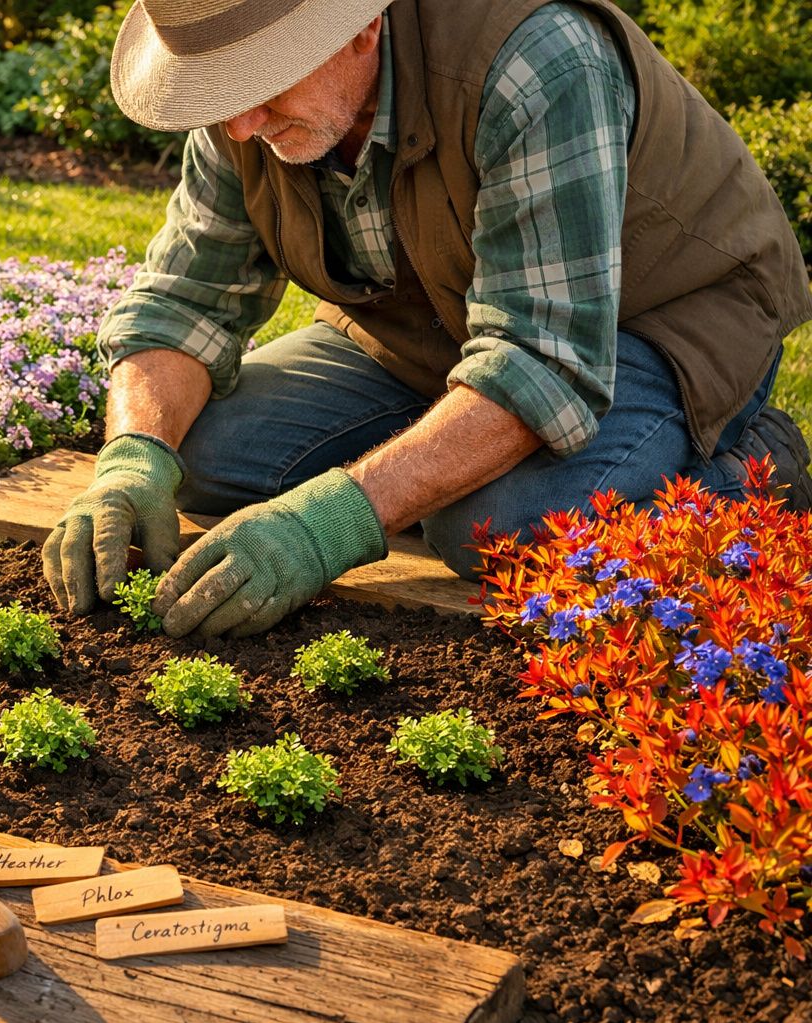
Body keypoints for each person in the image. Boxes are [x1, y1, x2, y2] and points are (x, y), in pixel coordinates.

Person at [41, 0, 812, 641]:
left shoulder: (533, 58)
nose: (240, 125)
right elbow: (184, 299)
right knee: (205, 453)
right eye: (221, 90)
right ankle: (450, 443)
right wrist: (133, 459)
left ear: (360, 26)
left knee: (494, 524)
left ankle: (751, 463)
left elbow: (542, 357)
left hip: (653, 324)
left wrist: (328, 522)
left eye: (262, 83)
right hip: (434, 334)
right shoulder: (245, 116)